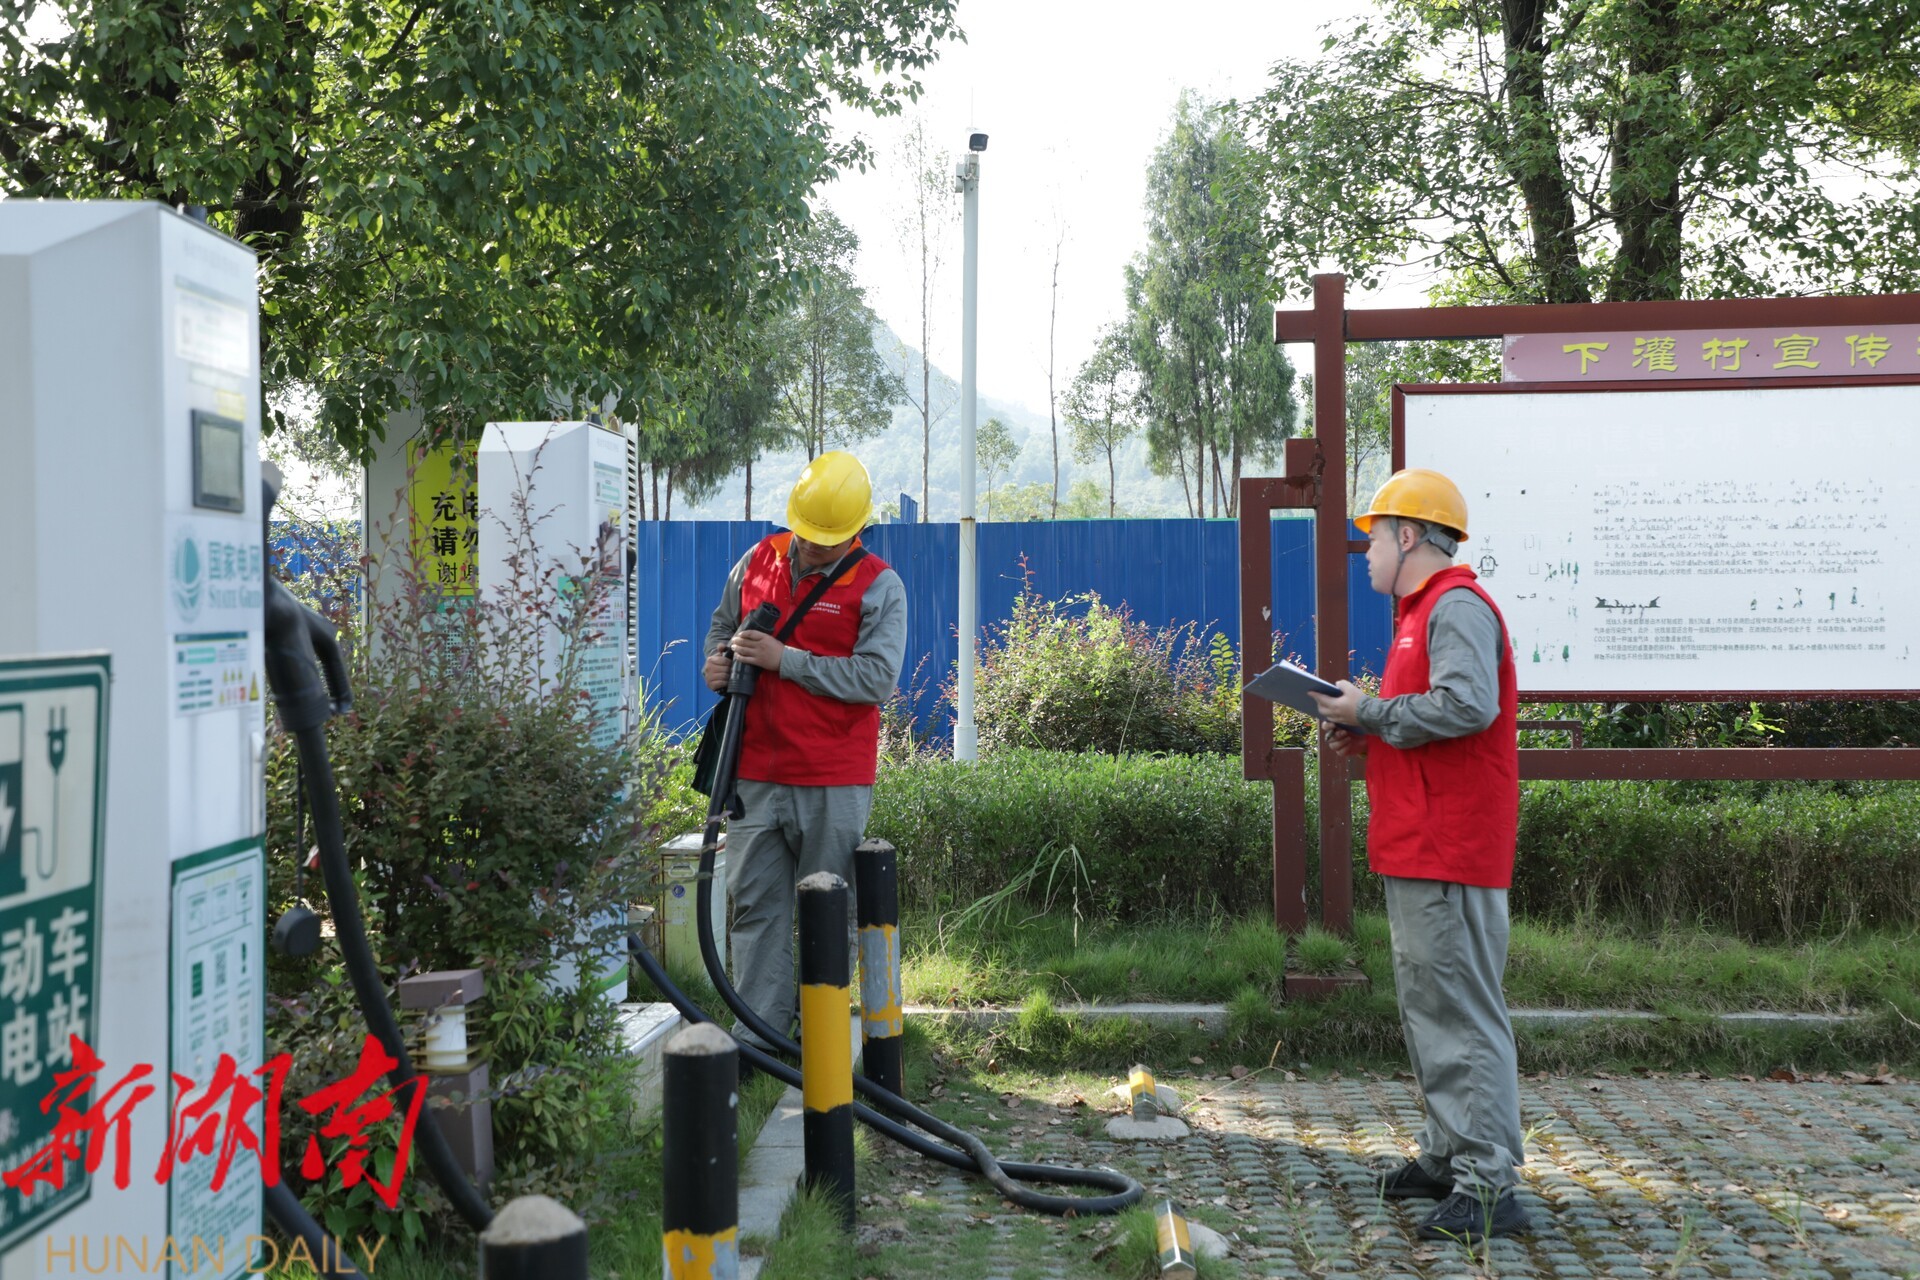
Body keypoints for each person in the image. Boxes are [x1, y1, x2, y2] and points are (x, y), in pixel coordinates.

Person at [1308, 468, 1530, 1243]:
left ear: (1409, 537)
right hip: (1423, 845)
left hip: (1449, 849)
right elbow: (1434, 719)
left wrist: (1369, 709)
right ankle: (1448, 1157)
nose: (1365, 553)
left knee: (1461, 1015)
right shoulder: (1423, 613)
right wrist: (1367, 727)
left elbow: (1470, 704)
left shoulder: (1455, 606)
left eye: (1372, 539)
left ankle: (1489, 1185)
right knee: (1433, 1009)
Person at [702, 451, 907, 1056]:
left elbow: (875, 679)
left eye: (828, 539)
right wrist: (717, 662)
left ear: (857, 529)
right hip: (752, 773)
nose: (813, 547)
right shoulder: (757, 559)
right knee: (754, 909)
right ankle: (760, 1041)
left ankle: (823, 1040)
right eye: (808, 534)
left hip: (831, 778)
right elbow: (721, 627)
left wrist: (784, 661)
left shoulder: (879, 586)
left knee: (827, 908)